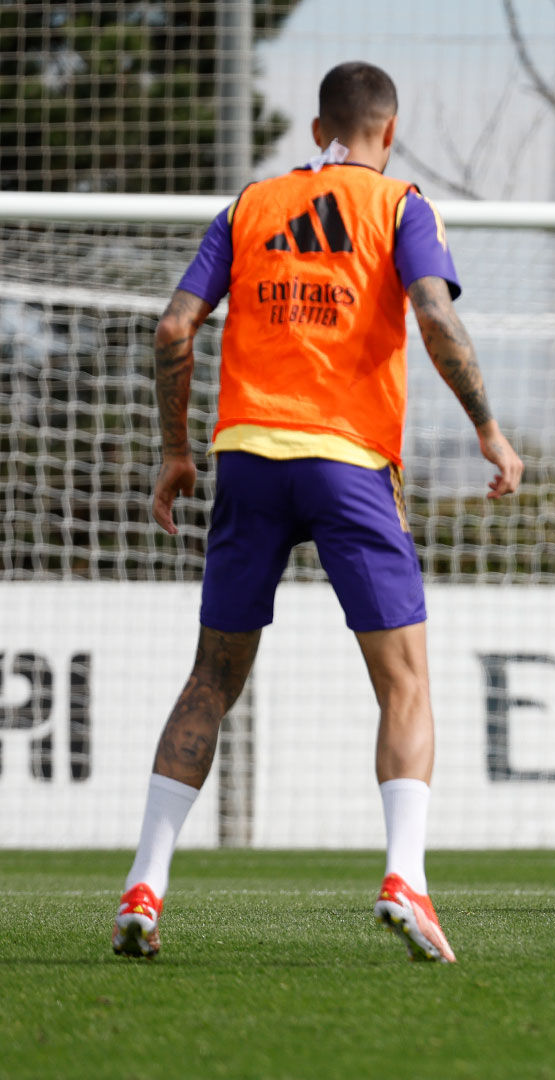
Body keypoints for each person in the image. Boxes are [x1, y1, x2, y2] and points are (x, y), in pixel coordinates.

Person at [111, 61, 522, 963]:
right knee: (405, 682)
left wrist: (178, 453)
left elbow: (173, 328)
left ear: (317, 129)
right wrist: (490, 430)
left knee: (210, 681)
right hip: (347, 464)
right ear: (392, 126)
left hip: (247, 462)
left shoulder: (247, 207)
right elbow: (434, 316)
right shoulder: (402, 206)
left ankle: (146, 882)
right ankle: (404, 879)